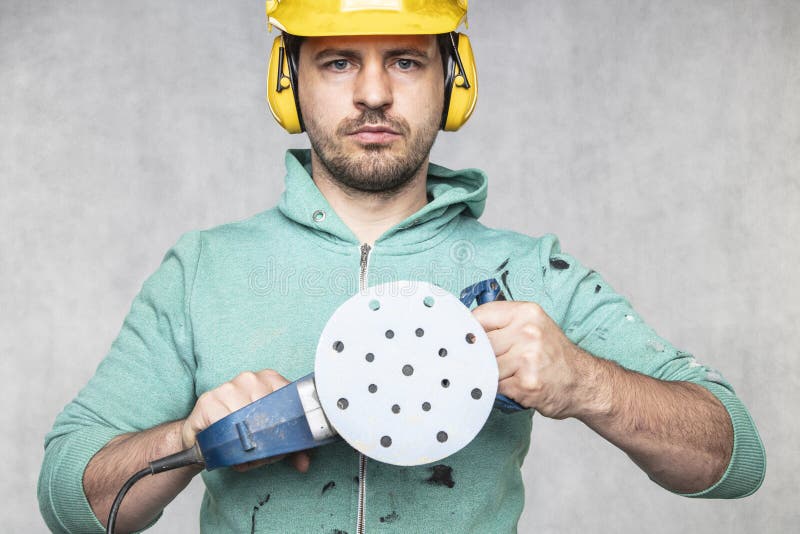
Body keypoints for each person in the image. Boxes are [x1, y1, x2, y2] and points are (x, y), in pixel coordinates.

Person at [38, 1, 766, 532]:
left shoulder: (530, 270)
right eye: (338, 60)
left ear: (455, 80)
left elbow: (734, 460)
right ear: (288, 82)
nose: (375, 94)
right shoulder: (203, 270)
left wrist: (588, 382)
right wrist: (188, 442)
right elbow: (69, 500)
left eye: (407, 60)